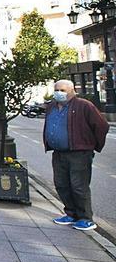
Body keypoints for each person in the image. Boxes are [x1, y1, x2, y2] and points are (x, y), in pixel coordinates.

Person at [43, 79, 108, 231]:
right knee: (61, 184)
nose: (59, 93)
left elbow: (101, 126)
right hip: (59, 153)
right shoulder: (52, 106)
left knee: (79, 186)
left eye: (63, 90)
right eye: (57, 89)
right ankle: (71, 213)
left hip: (79, 153)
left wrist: (91, 145)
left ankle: (85, 218)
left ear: (72, 91)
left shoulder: (84, 106)